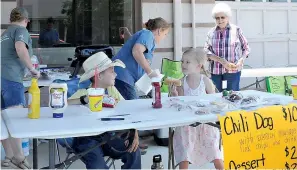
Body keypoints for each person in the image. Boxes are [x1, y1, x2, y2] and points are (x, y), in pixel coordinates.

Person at [67, 52, 141, 169]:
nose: (116, 74)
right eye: (112, 71)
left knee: (133, 149)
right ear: (99, 76)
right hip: (87, 140)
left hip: (108, 137)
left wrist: (134, 132)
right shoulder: (84, 93)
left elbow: (128, 110)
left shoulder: (111, 90)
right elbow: (64, 105)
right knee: (98, 166)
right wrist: (85, 99)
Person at [170, 48, 223, 170]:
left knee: (215, 151)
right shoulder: (181, 82)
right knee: (185, 153)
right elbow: (181, 103)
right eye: (182, 61)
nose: (183, 64)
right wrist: (175, 96)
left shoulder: (206, 81)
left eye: (188, 62)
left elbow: (214, 101)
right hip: (187, 124)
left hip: (206, 123)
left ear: (199, 66)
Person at [1, 7, 40, 169]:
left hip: (1, 79)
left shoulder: (4, 35)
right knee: (15, 119)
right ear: (27, 20)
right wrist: (32, 69)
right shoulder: (20, 31)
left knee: (3, 121)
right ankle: (20, 157)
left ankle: (9, 155)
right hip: (11, 80)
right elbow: (20, 48)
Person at [113, 17, 170, 100]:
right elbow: (136, 51)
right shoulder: (148, 34)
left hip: (122, 78)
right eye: (165, 34)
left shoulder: (146, 37)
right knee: (134, 108)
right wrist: (150, 72)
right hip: (122, 77)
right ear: (159, 31)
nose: (164, 37)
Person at [204, 3, 250, 92]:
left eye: (222, 17)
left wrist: (241, 60)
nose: (220, 20)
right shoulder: (211, 32)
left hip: (233, 71)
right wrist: (221, 60)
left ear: (228, 17)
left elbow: (246, 48)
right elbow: (206, 51)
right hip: (215, 71)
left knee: (232, 97)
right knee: (216, 97)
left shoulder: (236, 30)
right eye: (217, 18)